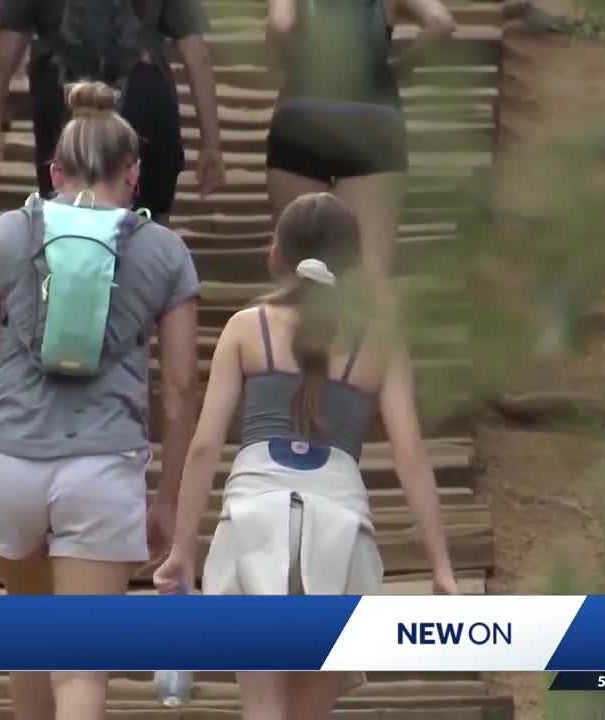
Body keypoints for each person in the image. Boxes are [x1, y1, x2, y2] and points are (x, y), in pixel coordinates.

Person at [0, 82, 201, 720]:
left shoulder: (4, 235)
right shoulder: (165, 252)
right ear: (134, 173)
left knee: (30, 642)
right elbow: (182, 388)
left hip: (4, 461)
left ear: (53, 173)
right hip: (101, 467)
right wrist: (168, 496)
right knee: (79, 670)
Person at [153, 193, 459, 720]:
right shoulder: (379, 342)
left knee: (263, 706)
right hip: (340, 530)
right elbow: (409, 453)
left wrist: (183, 548)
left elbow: (204, 446)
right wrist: (441, 565)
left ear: (276, 254)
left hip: (254, 520)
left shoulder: (246, 328)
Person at [0, 0, 227, 225]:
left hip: (64, 111)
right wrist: (211, 144)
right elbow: (196, 56)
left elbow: (3, 60)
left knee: (66, 225)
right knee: (148, 227)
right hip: (143, 109)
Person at [263, 0, 455, 279]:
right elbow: (441, 22)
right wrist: (399, 69)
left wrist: (295, 66)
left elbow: (281, 25)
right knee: (370, 271)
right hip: (373, 116)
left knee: (297, 268)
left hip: (303, 115)